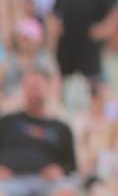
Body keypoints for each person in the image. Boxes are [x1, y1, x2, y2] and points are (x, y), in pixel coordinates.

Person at [0, 67, 79, 196]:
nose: (33, 93)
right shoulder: (7, 121)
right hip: (10, 181)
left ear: (48, 89)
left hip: (48, 183)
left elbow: (71, 165)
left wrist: (60, 169)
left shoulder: (62, 128)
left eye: (37, 88)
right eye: (29, 87)